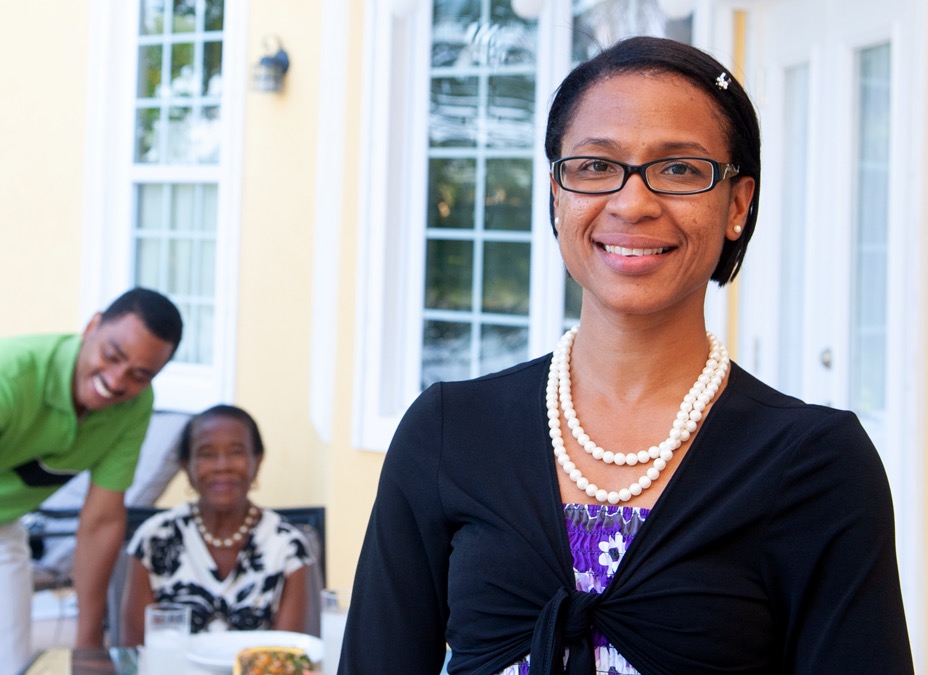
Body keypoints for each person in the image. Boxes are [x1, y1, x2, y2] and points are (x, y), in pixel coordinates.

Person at [341, 36, 913, 675]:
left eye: (680, 169)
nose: (633, 203)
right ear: (557, 195)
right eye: (594, 165)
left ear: (737, 204)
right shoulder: (448, 431)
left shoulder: (817, 463)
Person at [0, 287, 182, 675]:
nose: (116, 380)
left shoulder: (134, 407)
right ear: (92, 326)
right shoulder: (6, 371)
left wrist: (88, 642)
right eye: (112, 356)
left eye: (139, 375)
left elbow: (102, 521)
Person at [119, 405, 315, 645]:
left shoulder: (287, 546)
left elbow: (286, 654)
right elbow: (136, 651)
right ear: (186, 465)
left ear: (257, 461)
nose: (222, 465)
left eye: (236, 452)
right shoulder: (153, 539)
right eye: (207, 454)